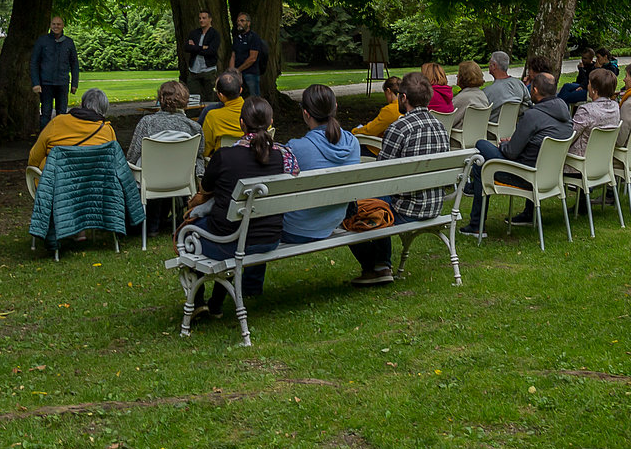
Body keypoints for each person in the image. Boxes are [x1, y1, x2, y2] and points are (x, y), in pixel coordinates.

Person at [185, 97, 298, 318]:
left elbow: (204, 193)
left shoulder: (225, 156)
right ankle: (215, 304)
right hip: (270, 237)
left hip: (231, 240)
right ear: (271, 122)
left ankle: (199, 300)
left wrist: (190, 207)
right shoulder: (285, 156)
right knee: (228, 225)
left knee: (189, 233)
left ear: (241, 124)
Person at [358, 72, 454, 282]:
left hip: (406, 208)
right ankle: (381, 265)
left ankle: (378, 266)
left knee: (359, 206)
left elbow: (380, 173)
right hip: (434, 204)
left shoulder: (399, 128)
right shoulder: (440, 126)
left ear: (403, 98)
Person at [473, 71, 570, 227]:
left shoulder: (532, 115)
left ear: (536, 90)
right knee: (531, 154)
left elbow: (511, 152)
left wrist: (503, 145)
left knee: (481, 150)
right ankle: (528, 214)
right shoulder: (565, 113)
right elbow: (541, 140)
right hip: (550, 175)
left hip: (524, 176)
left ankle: (476, 225)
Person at [280, 84, 361, 245]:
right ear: (335, 107)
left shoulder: (295, 148)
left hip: (295, 229)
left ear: (305, 113)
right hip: (332, 222)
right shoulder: (354, 143)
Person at [29, 86, 116, 171]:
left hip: (55, 182)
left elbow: (33, 159)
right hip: (93, 183)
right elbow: (115, 163)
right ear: (104, 110)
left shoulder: (57, 122)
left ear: (82, 104)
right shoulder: (107, 130)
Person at [125, 80, 201, 169]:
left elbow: (133, 156)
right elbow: (199, 158)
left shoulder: (147, 122)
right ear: (186, 100)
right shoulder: (194, 127)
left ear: (160, 99)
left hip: (149, 178)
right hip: (183, 179)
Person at [30, 15, 80, 127]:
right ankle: (44, 139)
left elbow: (74, 64)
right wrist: (36, 83)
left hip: (62, 83)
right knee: (46, 113)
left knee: (62, 113)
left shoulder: (69, 42)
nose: (56, 26)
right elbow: (34, 63)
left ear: (63, 26)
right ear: (50, 25)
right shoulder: (42, 41)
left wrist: (74, 84)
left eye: (58, 24)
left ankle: (60, 139)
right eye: (53, 24)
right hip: (46, 84)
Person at [568, 68, 622, 158]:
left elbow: (570, 137)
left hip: (578, 163)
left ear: (594, 89)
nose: (587, 86)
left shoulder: (586, 111)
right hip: (602, 160)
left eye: (589, 83)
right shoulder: (615, 107)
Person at [183, 10, 220, 116]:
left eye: (204, 18)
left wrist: (195, 47)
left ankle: (210, 117)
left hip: (208, 70)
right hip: (194, 69)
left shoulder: (214, 34)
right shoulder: (194, 33)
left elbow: (211, 51)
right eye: (200, 18)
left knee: (209, 97)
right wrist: (202, 47)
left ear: (210, 19)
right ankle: (193, 119)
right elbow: (187, 47)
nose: (201, 20)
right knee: (193, 97)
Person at [200, 71, 247, 155]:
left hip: (222, 163)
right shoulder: (256, 111)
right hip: (252, 160)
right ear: (241, 90)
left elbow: (205, 148)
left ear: (220, 95)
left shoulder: (213, 116)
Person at [448, 60, 491, 140]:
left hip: (459, 140)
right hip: (479, 139)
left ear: (462, 77)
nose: (457, 76)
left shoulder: (462, 99)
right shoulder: (482, 95)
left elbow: (449, 122)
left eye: (459, 74)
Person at [229, 12, 267, 98]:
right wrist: (232, 71)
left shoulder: (254, 37)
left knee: (254, 98)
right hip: (238, 74)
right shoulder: (236, 38)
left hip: (251, 73)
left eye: (242, 21)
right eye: (238, 21)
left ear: (248, 23)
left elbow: (252, 58)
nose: (239, 23)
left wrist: (238, 70)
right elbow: (233, 55)